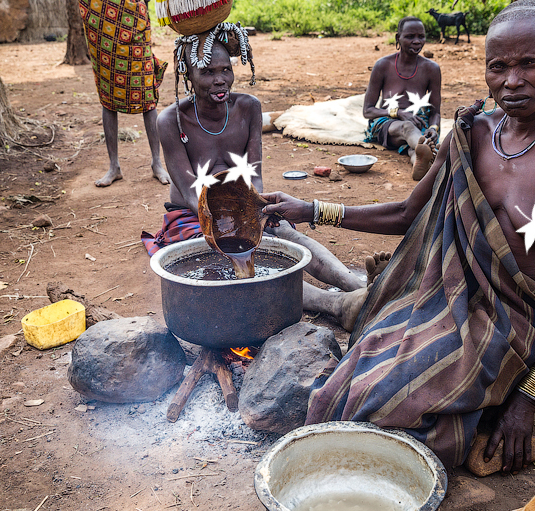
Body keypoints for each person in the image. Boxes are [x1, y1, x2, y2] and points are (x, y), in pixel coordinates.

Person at [262, 0, 535, 474]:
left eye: (530, 63)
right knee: (347, 384)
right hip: (448, 297)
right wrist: (309, 209)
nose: (512, 81)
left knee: (389, 408)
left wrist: (529, 400)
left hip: (522, 323)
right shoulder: (472, 134)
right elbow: (408, 213)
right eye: (498, 67)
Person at [147, 22, 384, 326]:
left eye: (226, 70)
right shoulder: (171, 121)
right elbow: (191, 192)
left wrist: (257, 207)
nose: (220, 80)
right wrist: (230, 224)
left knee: (284, 232)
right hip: (194, 215)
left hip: (247, 202)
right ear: (188, 75)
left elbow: (254, 175)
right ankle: (338, 305)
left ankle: (361, 287)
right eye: (207, 72)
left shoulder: (248, 107)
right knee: (224, 257)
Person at [75, 0, 170, 187]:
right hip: (101, 22)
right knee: (108, 94)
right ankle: (114, 166)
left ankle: (157, 163)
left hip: (134, 15)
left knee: (147, 92)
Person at [364, 16, 442, 181]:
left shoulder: (432, 69)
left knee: (414, 148)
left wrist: (434, 128)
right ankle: (429, 149)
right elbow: (368, 111)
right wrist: (397, 112)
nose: (416, 41)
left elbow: (435, 112)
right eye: (410, 36)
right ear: (398, 38)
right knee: (406, 127)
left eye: (421, 36)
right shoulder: (383, 65)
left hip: (420, 123)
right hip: (386, 122)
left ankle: (419, 162)